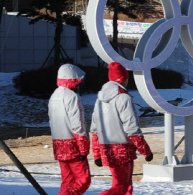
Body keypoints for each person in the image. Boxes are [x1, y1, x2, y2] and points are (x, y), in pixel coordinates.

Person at [91, 62, 153, 195]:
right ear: (123, 79)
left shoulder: (99, 100)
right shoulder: (124, 98)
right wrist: (145, 151)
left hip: (106, 148)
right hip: (123, 149)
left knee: (123, 184)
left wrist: (97, 154)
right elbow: (132, 128)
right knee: (121, 186)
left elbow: (95, 130)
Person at [48, 64, 91, 195]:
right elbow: (78, 124)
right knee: (83, 179)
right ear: (74, 79)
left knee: (67, 180)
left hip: (58, 144)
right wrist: (84, 147)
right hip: (73, 144)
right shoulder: (72, 97)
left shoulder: (53, 96)